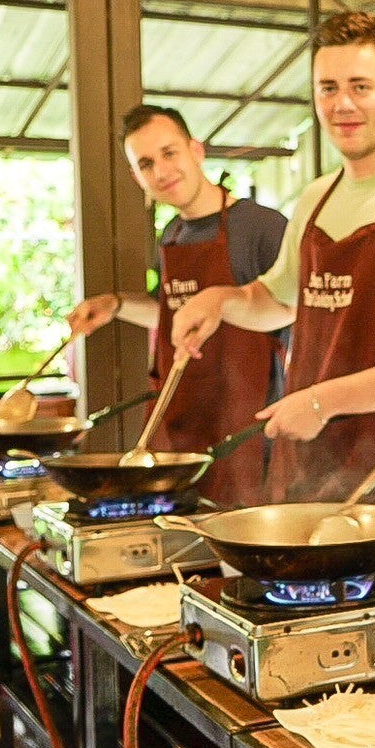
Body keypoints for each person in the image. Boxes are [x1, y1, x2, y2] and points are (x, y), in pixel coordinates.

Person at [172, 12, 375, 576]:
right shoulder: (316, 197)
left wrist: (323, 401)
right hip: (308, 469)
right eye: (328, 88)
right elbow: (278, 301)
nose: (343, 104)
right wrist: (219, 302)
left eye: (360, 86)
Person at [66, 105, 286, 507]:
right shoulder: (171, 235)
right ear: (137, 177)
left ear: (196, 150)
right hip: (186, 435)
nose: (161, 172)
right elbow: (172, 315)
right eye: (146, 164)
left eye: (170, 154)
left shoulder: (262, 228)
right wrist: (115, 306)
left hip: (250, 439)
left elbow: (296, 326)